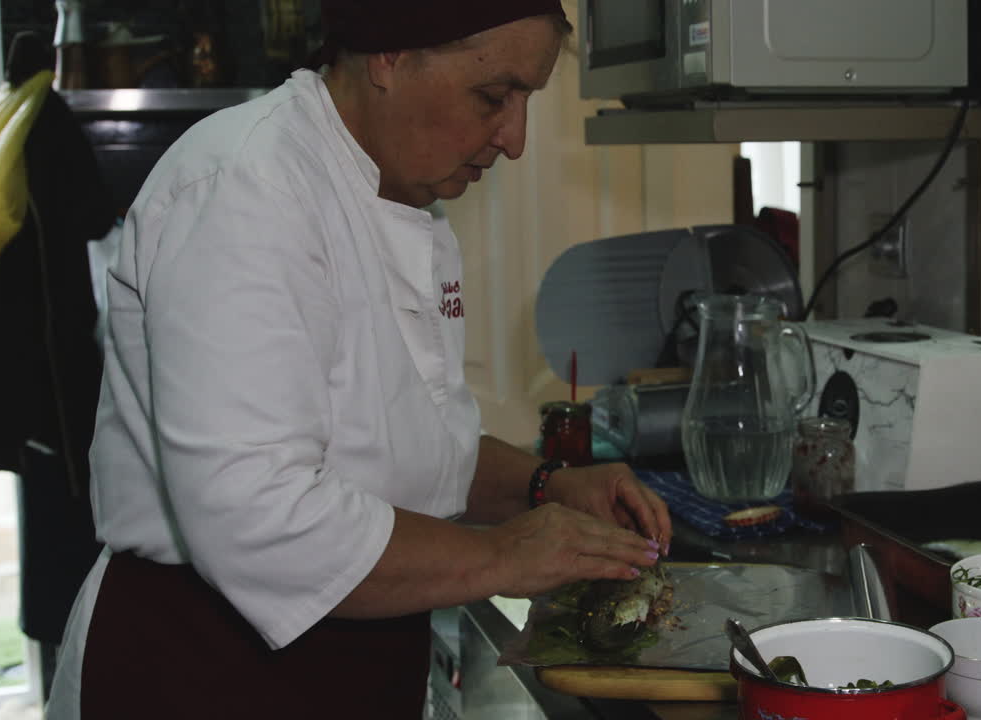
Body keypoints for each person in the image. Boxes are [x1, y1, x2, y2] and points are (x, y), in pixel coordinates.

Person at [46, 2, 672, 718]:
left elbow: (403, 449)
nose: (514, 138)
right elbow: (259, 519)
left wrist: (546, 486)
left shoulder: (396, 193)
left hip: (353, 672)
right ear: (389, 55)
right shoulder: (247, 189)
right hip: (207, 673)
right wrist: (505, 555)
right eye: (495, 96)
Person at [0, 31, 111, 700]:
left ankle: (61, 659)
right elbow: (94, 214)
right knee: (73, 505)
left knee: (46, 506)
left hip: (24, 362)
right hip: (59, 360)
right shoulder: (48, 119)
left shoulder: (7, 111)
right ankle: (79, 665)